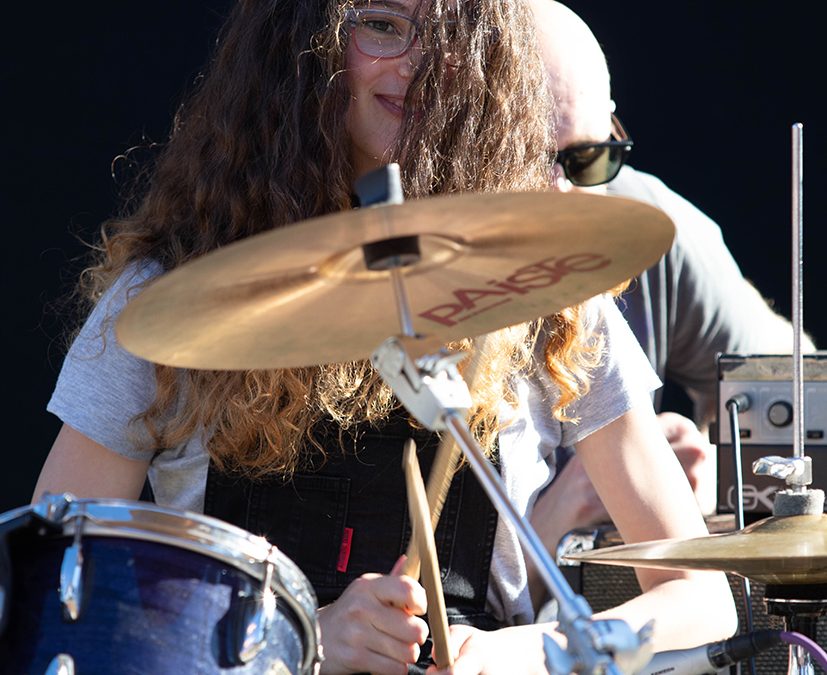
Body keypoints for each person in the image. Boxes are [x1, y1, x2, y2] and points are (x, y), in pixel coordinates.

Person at [33, 1, 736, 673]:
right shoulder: (167, 295)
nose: (419, 63)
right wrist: (301, 639)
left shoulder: (547, 290)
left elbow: (702, 599)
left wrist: (528, 653)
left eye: (453, 36)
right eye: (381, 25)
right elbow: (57, 592)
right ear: (300, 47)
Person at [527, 0, 815, 573]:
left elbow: (798, 393)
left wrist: (718, 473)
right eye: (530, 161)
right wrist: (559, 512)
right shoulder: (402, 260)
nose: (561, 195)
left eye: (588, 159)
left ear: (613, 128)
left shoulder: (651, 231)